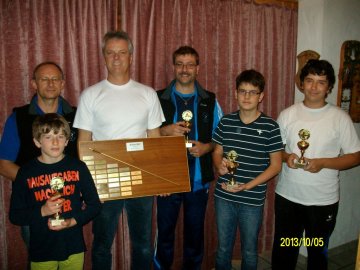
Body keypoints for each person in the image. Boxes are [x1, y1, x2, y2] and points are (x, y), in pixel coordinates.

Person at [73, 30, 164, 270]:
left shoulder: (148, 94)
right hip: (104, 179)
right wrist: (87, 183)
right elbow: (83, 141)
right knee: (102, 243)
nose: (116, 58)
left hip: (142, 177)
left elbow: (154, 139)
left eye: (122, 52)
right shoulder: (90, 95)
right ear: (103, 56)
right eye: (110, 53)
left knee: (143, 243)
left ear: (131, 57)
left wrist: (160, 182)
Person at [271, 59, 360, 270]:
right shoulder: (287, 114)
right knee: (284, 251)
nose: (314, 87)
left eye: (321, 82)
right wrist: (287, 157)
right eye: (309, 80)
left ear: (329, 87)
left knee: (317, 254)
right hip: (288, 197)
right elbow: (275, 150)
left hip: (322, 201)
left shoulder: (340, 117)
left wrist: (323, 163)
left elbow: (356, 156)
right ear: (302, 83)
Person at [153, 46, 223, 270]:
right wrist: (165, 131)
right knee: (164, 235)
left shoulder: (210, 100)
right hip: (166, 181)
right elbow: (144, 137)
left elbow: (220, 139)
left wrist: (207, 148)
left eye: (190, 64)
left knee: (194, 235)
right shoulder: (156, 98)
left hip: (198, 181)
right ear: (173, 67)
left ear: (198, 68)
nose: (185, 69)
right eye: (180, 64)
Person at [0, 61, 78, 248]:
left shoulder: (77, 116)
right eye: (44, 79)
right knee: (39, 258)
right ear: (34, 84)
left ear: (62, 83)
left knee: (71, 256)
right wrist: (38, 184)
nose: (50, 84)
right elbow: (4, 164)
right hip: (32, 205)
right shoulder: (18, 118)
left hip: (70, 203)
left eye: (55, 79)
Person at [9, 113, 101, 270]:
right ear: (37, 142)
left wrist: (71, 222)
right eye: (48, 136)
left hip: (73, 247)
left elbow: (94, 206)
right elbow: (15, 215)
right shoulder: (25, 172)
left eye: (60, 136)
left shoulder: (78, 167)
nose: (55, 141)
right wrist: (43, 211)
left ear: (66, 141)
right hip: (42, 249)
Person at [212, 69, 283, 270]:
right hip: (224, 197)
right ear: (235, 93)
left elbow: (276, 165)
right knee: (223, 248)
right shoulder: (226, 121)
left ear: (261, 96)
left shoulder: (271, 126)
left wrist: (247, 186)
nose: (247, 96)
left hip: (252, 200)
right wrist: (219, 165)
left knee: (250, 250)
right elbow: (217, 152)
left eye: (253, 92)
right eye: (242, 91)